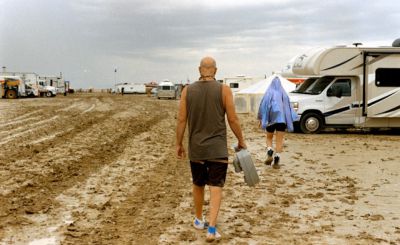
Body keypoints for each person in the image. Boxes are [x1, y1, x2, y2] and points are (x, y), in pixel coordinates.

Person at [176, 56, 246, 242]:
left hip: (196, 148)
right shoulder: (224, 90)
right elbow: (232, 119)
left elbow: (181, 120)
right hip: (217, 149)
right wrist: (241, 140)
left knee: (198, 184)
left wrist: (179, 143)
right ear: (215, 70)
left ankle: (199, 219)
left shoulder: (187, 91)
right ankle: (212, 228)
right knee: (216, 187)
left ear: (200, 70)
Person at [257, 76, 298, 169]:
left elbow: (262, 106)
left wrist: (260, 118)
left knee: (269, 138)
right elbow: (289, 108)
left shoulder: (268, 93)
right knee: (279, 141)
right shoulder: (284, 94)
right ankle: (276, 159)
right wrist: (291, 120)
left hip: (271, 120)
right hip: (281, 121)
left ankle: (270, 150)